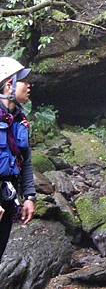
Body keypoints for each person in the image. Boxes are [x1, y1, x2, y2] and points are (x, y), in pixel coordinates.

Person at [0, 57, 36, 261]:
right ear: (8, 85)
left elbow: (26, 161)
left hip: (7, 196)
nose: (29, 85)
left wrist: (29, 196)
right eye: (23, 81)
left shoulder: (20, 120)